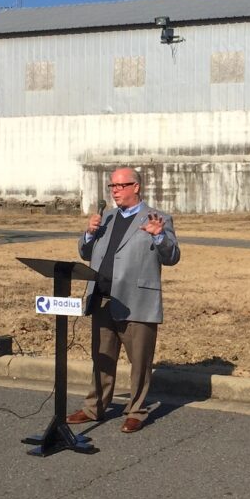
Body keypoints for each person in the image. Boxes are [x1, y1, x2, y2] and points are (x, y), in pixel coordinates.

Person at [66, 167, 180, 433]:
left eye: (120, 186)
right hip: (103, 298)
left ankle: (136, 410)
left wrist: (159, 236)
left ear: (136, 187)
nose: (114, 191)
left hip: (137, 300)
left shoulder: (157, 217)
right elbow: (85, 253)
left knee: (140, 360)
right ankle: (94, 407)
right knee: (102, 357)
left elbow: (172, 256)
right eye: (111, 187)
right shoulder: (105, 217)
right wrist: (89, 233)